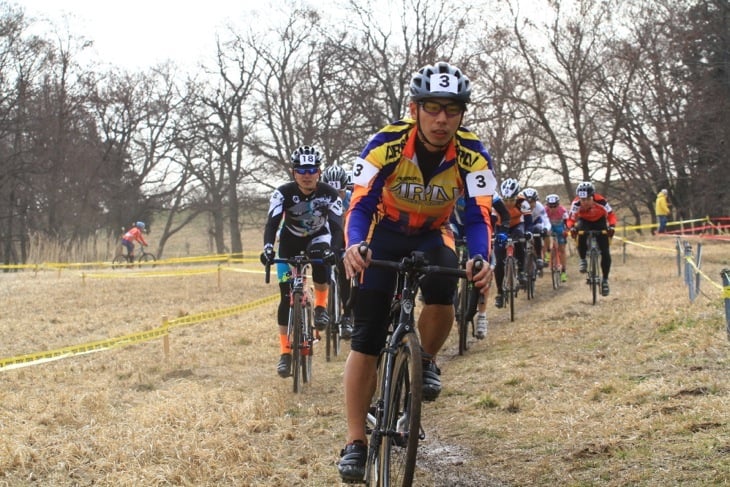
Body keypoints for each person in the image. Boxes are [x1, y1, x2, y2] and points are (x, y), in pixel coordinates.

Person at [337, 61, 495, 483]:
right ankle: (355, 440)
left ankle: (424, 358)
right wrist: (355, 244)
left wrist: (481, 258)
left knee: (446, 279)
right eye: (432, 108)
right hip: (382, 233)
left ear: (462, 114)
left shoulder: (473, 153)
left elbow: (479, 216)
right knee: (367, 337)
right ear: (415, 108)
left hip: (431, 234)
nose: (442, 119)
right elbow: (360, 202)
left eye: (452, 110)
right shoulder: (385, 143)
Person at [260, 145, 343, 378]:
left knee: (320, 256)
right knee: (286, 295)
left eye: (312, 169)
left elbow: (337, 227)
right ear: (293, 171)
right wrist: (268, 248)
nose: (307, 175)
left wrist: (335, 251)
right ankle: (285, 353)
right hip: (289, 242)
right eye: (301, 169)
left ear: (319, 171)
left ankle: (320, 307)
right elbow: (272, 224)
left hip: (319, 237)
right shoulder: (282, 193)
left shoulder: (329, 194)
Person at [320, 164, 354, 339]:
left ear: (346, 189)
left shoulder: (353, 198)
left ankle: (347, 315)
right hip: (330, 236)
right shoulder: (319, 198)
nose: (335, 197)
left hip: (348, 238)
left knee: (346, 271)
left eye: (339, 192)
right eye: (330, 192)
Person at [566, 181, 617, 296]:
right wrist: (571, 228)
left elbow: (611, 215)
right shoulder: (576, 204)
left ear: (592, 197)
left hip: (600, 221)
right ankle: (583, 259)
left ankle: (605, 280)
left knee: (605, 252)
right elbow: (570, 219)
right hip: (585, 221)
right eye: (582, 200)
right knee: (581, 233)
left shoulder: (601, 201)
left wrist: (612, 226)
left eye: (587, 199)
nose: (584, 203)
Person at [450, 195, 489, 339]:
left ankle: (482, 316)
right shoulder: (453, 187)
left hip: (476, 230)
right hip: (456, 228)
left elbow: (499, 215)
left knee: (481, 270)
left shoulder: (486, 193)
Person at [492, 178, 533, 309]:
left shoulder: (522, 202)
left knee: (520, 239)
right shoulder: (497, 202)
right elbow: (492, 220)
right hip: (500, 226)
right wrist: (492, 234)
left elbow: (528, 220)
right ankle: (499, 293)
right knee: (498, 261)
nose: (508, 203)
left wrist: (529, 232)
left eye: (511, 200)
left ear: (517, 197)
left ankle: (521, 270)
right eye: (506, 200)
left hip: (516, 226)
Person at [520, 187, 548, 269]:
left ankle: (539, 257)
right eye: (527, 202)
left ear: (536, 201)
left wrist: (545, 229)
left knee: (537, 231)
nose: (529, 205)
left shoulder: (539, 207)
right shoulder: (520, 207)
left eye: (531, 202)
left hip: (536, 222)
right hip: (525, 223)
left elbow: (545, 220)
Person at [544, 194, 569, 282]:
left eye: (555, 206)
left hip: (560, 228)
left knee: (562, 249)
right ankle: (547, 253)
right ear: (547, 205)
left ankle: (563, 271)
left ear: (558, 204)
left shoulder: (562, 210)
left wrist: (566, 230)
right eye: (550, 206)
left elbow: (567, 222)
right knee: (545, 237)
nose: (552, 208)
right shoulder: (545, 210)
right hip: (550, 227)